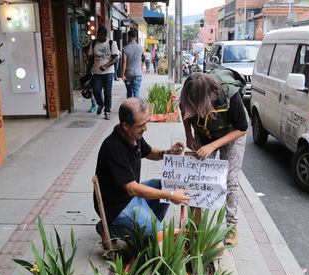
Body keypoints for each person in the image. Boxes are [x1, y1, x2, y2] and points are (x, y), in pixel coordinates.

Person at [94, 98, 192, 241]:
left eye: (146, 122)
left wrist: (167, 152)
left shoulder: (133, 135)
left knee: (162, 184)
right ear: (126, 126)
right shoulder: (113, 148)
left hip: (130, 196)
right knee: (160, 236)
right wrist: (170, 195)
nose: (146, 128)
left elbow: (149, 152)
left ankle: (148, 225)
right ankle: (109, 228)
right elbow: (132, 189)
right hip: (117, 205)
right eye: (142, 125)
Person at [179, 72, 248, 245]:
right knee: (199, 177)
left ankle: (231, 224)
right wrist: (189, 135)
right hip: (204, 134)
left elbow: (242, 128)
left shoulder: (230, 95)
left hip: (232, 134)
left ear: (212, 95)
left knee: (230, 181)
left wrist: (212, 146)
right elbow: (184, 110)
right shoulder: (189, 92)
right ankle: (197, 224)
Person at [88, 27, 120, 120]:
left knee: (107, 93)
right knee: (96, 91)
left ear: (105, 35)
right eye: (97, 35)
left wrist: (106, 66)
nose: (98, 37)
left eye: (100, 36)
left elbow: (116, 58)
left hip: (108, 73)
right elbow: (91, 59)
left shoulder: (111, 43)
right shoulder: (93, 43)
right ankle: (101, 104)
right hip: (97, 73)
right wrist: (88, 71)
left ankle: (107, 111)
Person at [121, 29, 143, 98]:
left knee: (129, 92)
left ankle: (129, 107)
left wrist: (122, 74)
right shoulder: (140, 48)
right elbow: (141, 61)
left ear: (128, 37)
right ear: (136, 37)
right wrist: (141, 70)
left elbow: (124, 62)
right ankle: (136, 108)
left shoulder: (125, 48)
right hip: (138, 73)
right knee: (136, 91)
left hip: (128, 74)